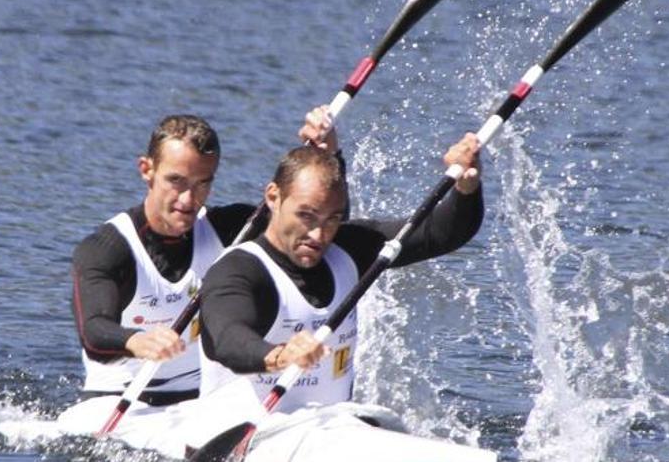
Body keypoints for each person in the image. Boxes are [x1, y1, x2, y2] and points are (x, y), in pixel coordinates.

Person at [192, 124, 492, 461]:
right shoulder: (238, 270)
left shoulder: (348, 248)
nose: (319, 235)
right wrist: (279, 355)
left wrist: (467, 188)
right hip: (244, 442)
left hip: (329, 431)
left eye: (332, 219)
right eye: (306, 215)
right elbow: (226, 340)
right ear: (273, 197)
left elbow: (441, 232)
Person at [70, 107, 339, 408]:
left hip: (201, 403)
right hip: (118, 401)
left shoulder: (230, 230)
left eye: (202, 183)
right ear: (147, 170)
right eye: (176, 181)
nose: (188, 200)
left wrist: (328, 157)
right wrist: (136, 341)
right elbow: (92, 331)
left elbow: (323, 227)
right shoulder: (107, 248)